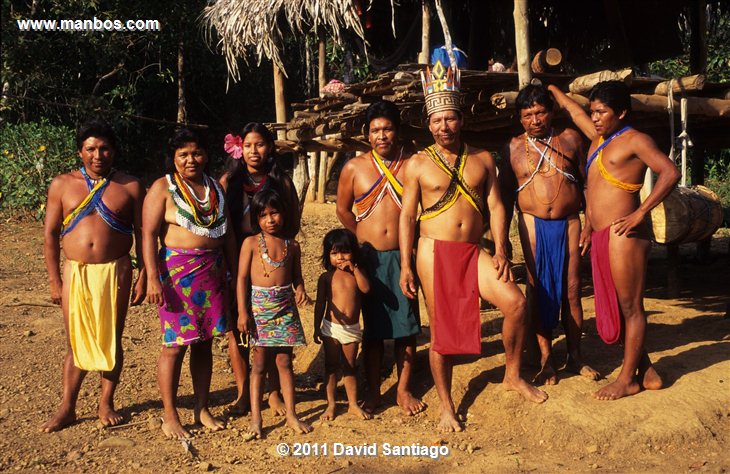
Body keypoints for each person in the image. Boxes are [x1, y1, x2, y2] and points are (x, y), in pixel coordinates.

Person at [399, 60, 548, 433]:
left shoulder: (482, 159)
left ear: (460, 119)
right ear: (427, 124)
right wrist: (406, 264)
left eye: (449, 119)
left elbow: (497, 206)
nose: (443, 127)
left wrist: (500, 248)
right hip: (434, 252)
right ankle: (447, 405)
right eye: (436, 121)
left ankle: (512, 375)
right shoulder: (417, 163)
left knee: (515, 303)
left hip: (473, 251)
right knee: (442, 332)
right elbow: (406, 218)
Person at [548, 81, 679, 400]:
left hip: (625, 234)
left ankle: (626, 379)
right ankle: (645, 370)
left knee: (630, 308)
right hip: (602, 233)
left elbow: (669, 172)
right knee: (615, 307)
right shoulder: (596, 139)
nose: (594, 118)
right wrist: (551, 88)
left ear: (620, 112)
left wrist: (640, 213)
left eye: (602, 112)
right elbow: (573, 110)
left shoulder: (636, 140)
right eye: (593, 111)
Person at [42, 119, 146, 433]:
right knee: (76, 342)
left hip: (117, 270)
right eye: (91, 149)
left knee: (111, 339)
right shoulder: (62, 185)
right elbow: (49, 234)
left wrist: (144, 274)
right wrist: (53, 279)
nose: (97, 155)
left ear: (113, 152)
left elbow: (142, 233)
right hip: (75, 271)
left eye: (104, 148)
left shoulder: (129, 186)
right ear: (80, 152)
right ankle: (68, 407)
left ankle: (106, 403)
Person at [499, 84, 599, 385]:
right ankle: (545, 359)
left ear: (550, 112)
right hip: (531, 223)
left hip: (569, 222)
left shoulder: (569, 139)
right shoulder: (512, 148)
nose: (535, 120)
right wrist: (501, 239)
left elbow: (587, 183)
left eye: (540, 112)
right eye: (528, 114)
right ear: (520, 118)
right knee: (537, 289)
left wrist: (590, 222)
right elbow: (503, 198)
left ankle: (575, 355)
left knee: (571, 289)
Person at [143, 128, 238, 439]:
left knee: (205, 343)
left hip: (214, 274)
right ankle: (170, 415)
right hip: (176, 276)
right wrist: (153, 279)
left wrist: (236, 274)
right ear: (173, 159)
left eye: (196, 153)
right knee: (174, 345)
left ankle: (201, 407)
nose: (190, 159)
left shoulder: (215, 189)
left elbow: (228, 234)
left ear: (206, 155)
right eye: (183, 154)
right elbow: (147, 234)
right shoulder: (162, 188)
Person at [336, 100, 425, 416]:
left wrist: (412, 254)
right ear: (367, 134)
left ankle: (403, 389)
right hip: (369, 261)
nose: (382, 135)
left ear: (397, 131)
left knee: (407, 327)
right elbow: (344, 210)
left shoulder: (412, 164)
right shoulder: (354, 168)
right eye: (375, 130)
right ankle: (373, 391)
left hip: (404, 257)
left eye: (387, 128)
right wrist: (361, 240)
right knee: (373, 330)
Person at [219, 122, 300, 416]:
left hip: (270, 260)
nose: (254, 151)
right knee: (239, 327)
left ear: (270, 148)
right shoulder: (229, 181)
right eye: (249, 145)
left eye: (260, 145)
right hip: (235, 254)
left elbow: (293, 224)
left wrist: (280, 258)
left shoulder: (282, 183)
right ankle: (243, 393)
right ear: (240, 148)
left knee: (273, 330)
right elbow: (221, 224)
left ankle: (274, 392)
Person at [237, 189, 311, 437]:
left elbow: (297, 276)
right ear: (256, 219)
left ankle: (292, 414)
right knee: (258, 364)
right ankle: (256, 420)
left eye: (274, 212)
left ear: (284, 214)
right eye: (263, 215)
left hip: (285, 307)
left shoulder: (292, 245)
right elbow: (242, 279)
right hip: (259, 308)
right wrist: (242, 312)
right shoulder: (250, 243)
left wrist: (300, 289)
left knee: (285, 362)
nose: (270, 219)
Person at [313, 229, 372, 421]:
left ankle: (353, 404)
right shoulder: (326, 278)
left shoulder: (357, 275)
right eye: (334, 253)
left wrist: (354, 269)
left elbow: (366, 289)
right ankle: (331, 404)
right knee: (331, 366)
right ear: (327, 255)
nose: (340, 258)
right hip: (331, 328)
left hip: (351, 330)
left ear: (353, 252)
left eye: (345, 252)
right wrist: (316, 327)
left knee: (350, 367)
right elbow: (320, 304)